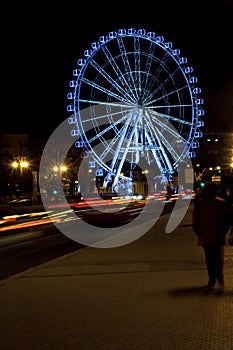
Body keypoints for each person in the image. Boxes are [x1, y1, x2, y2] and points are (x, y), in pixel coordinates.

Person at [192, 182, 232, 292]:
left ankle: (211, 281)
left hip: (205, 236)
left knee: (209, 260)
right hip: (218, 236)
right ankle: (220, 281)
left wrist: (198, 231)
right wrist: (224, 231)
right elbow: (227, 219)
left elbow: (195, 220)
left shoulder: (200, 204)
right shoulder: (221, 203)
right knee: (218, 260)